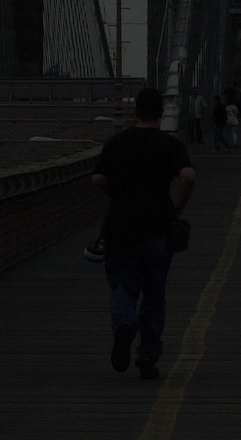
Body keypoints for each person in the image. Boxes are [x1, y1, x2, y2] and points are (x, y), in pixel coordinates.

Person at [93, 87, 197, 380]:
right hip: (158, 227)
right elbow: (188, 177)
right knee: (154, 291)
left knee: (124, 285)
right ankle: (148, 356)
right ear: (161, 113)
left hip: (121, 227)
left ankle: (124, 324)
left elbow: (97, 178)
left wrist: (118, 195)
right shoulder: (169, 144)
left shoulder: (118, 142)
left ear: (135, 111)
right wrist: (177, 209)